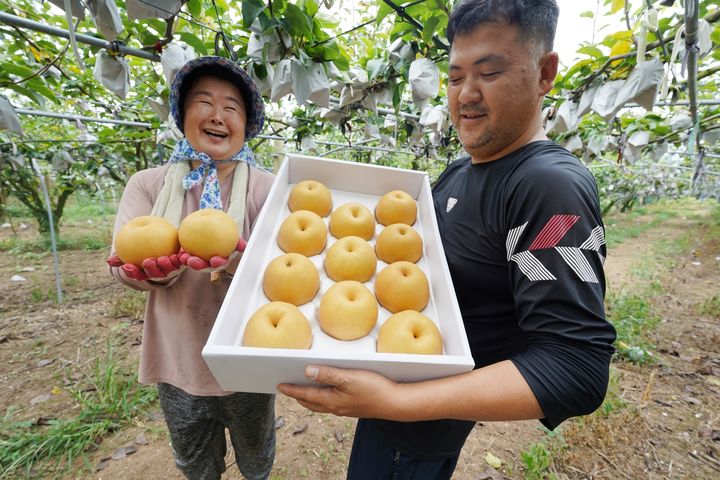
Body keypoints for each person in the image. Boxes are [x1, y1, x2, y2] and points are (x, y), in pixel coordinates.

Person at [277, 1, 617, 478]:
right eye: (456, 78)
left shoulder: (548, 189)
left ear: (544, 74)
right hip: (390, 399)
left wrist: (399, 401)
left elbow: (574, 366)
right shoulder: (461, 170)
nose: (466, 96)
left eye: (490, 72)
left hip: (421, 426)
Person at [107, 56, 276, 480]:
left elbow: (280, 270)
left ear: (245, 124)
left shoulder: (266, 186)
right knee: (196, 463)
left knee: (256, 459)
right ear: (182, 115)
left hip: (245, 359)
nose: (218, 116)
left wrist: (237, 259)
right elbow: (122, 259)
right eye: (204, 102)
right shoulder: (148, 184)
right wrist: (145, 272)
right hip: (178, 356)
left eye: (232, 107)